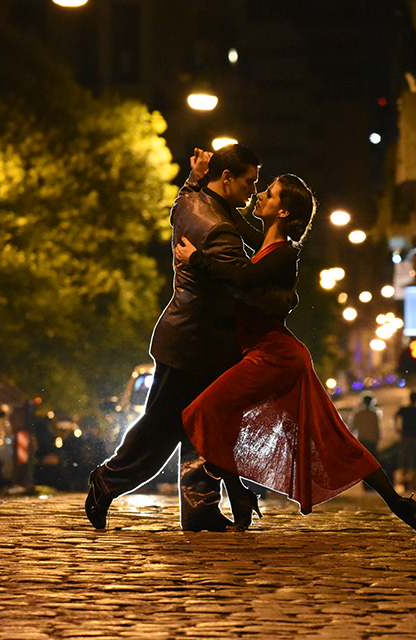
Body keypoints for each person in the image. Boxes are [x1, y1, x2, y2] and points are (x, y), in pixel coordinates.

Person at [176, 174, 416, 535]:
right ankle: (400, 505)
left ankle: (240, 496)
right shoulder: (266, 245)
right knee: (328, 437)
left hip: (274, 355)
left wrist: (195, 258)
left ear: (283, 211)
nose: (259, 194)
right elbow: (234, 224)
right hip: (269, 353)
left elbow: (241, 277)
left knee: (203, 411)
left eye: (269, 193)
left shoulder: (283, 254)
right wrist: (198, 183)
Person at [85, 144, 291, 532]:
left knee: (203, 427)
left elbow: (183, 199)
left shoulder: (191, 201)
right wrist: (286, 299)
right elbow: (243, 286)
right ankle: (106, 481)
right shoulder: (218, 228)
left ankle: (200, 508)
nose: (254, 190)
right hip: (193, 342)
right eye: (249, 181)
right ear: (227, 178)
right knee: (159, 432)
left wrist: (195, 178)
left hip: (196, 339)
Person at [395, 392, 416, 491]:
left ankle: (404, 480)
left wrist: (398, 429)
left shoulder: (404, 409)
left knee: (404, 460)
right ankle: (415, 483)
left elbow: (395, 417)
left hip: (406, 437)